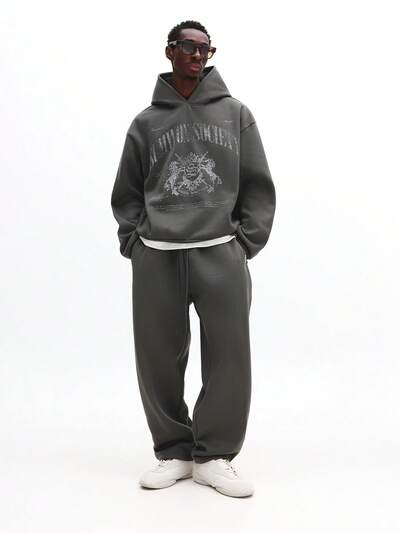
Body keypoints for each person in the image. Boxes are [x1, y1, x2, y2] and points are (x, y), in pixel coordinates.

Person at [111, 20, 276, 498]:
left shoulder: (235, 114)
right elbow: (127, 191)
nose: (198, 54)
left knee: (229, 355)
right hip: (157, 256)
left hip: (220, 252)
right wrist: (134, 243)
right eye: (188, 46)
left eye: (206, 48)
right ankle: (175, 451)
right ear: (170, 51)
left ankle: (214, 456)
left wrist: (244, 244)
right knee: (157, 357)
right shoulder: (145, 123)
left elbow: (258, 185)